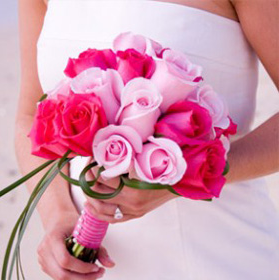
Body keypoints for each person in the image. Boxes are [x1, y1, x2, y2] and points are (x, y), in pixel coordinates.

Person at [16, 0, 279, 279]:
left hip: (215, 256)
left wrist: (184, 177)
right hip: (94, 259)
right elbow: (30, 114)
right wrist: (57, 213)